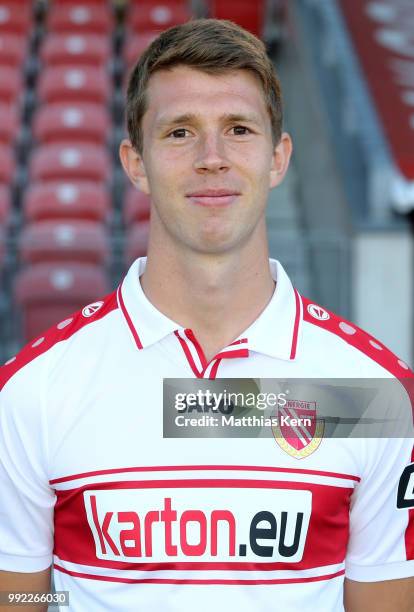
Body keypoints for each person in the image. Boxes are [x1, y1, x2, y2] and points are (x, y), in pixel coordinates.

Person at [0, 18, 413, 612]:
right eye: (179, 133)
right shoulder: (32, 391)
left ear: (278, 158)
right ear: (135, 162)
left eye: (239, 129)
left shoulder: (374, 394)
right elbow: (17, 597)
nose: (212, 158)